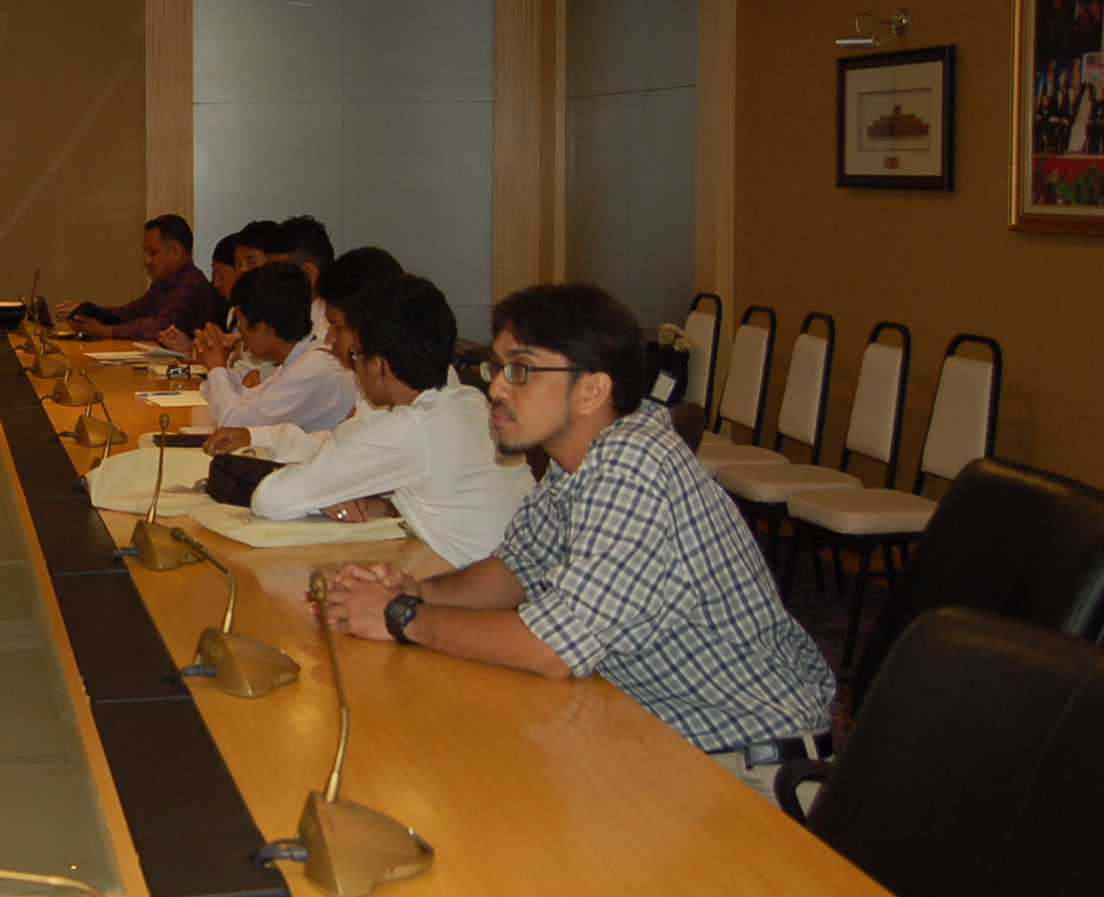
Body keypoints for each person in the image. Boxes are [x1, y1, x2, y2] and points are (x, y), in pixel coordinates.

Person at [322, 283, 837, 792]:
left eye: (521, 370)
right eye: (497, 368)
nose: (496, 388)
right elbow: (516, 569)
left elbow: (553, 648)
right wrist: (416, 591)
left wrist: (403, 617)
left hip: (753, 768)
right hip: (664, 738)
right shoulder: (581, 461)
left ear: (592, 389)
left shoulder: (633, 464)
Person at [208, 273, 528, 568]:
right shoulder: (469, 401)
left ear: (377, 366)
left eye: (357, 355)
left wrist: (323, 497)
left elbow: (270, 499)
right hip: (503, 573)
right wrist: (380, 503)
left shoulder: (411, 428)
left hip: (478, 587)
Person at [190, 262, 358, 431]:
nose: (239, 333)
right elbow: (247, 400)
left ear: (264, 329)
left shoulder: (314, 368)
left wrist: (216, 367)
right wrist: (218, 366)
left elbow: (235, 422)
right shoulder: (299, 358)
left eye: (241, 323)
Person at [56, 213, 220, 341]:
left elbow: (160, 328)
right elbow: (129, 313)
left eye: (152, 252)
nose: (146, 260)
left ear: (176, 251)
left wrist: (105, 331)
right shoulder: (163, 284)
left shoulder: (191, 285)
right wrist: (86, 312)